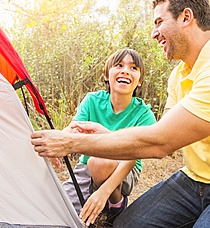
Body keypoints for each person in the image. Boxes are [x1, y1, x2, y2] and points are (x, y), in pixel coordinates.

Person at [31, 0, 210, 227]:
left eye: (159, 22)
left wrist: (69, 143)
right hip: (198, 179)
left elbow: (160, 142)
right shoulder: (180, 75)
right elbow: (166, 135)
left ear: (186, 17)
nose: (153, 33)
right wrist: (106, 135)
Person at [59, 48, 156, 227]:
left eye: (133, 68)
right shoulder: (93, 100)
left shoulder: (144, 114)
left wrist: (104, 192)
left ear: (140, 81)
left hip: (125, 169)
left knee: (99, 162)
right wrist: (58, 143)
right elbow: (73, 129)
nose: (125, 71)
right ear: (106, 75)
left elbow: (132, 157)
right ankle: (95, 200)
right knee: (59, 209)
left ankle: (115, 205)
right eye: (119, 65)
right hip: (86, 168)